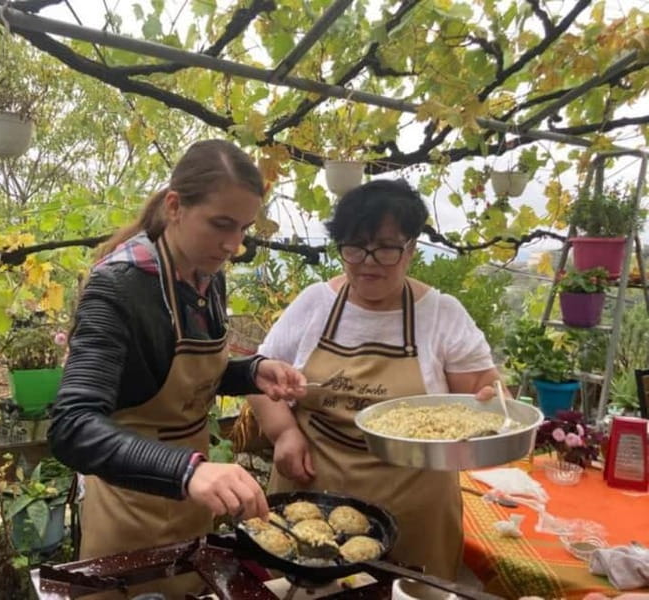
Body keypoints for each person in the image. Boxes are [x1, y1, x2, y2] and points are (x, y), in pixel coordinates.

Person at [48, 140, 306, 572]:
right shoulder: (119, 287)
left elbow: (178, 374)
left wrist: (252, 372)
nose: (233, 245)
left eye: (243, 228)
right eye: (221, 224)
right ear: (174, 206)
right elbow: (72, 426)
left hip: (194, 495)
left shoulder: (207, 278)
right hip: (128, 505)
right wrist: (186, 471)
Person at [248, 178, 504, 581]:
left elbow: (483, 395)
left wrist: (489, 399)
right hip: (316, 489)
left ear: (411, 248)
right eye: (354, 247)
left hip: (415, 503)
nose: (368, 261)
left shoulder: (441, 314)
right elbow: (259, 377)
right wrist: (283, 433)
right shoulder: (315, 304)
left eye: (385, 248)